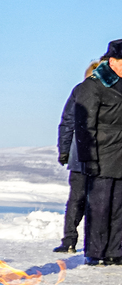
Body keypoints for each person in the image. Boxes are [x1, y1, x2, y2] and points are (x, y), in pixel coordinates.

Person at [74, 40, 122, 266]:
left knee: (119, 207)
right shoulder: (93, 86)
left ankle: (115, 250)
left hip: (121, 154)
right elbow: (84, 126)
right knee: (100, 206)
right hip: (102, 153)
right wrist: (87, 158)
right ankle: (95, 251)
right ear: (112, 61)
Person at [54, 61, 98, 254]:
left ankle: (70, 240)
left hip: (81, 156)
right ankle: (73, 239)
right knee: (82, 199)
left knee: (78, 199)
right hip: (83, 156)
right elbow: (68, 122)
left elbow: (67, 122)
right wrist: (64, 150)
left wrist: (64, 150)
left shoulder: (79, 90)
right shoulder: (80, 91)